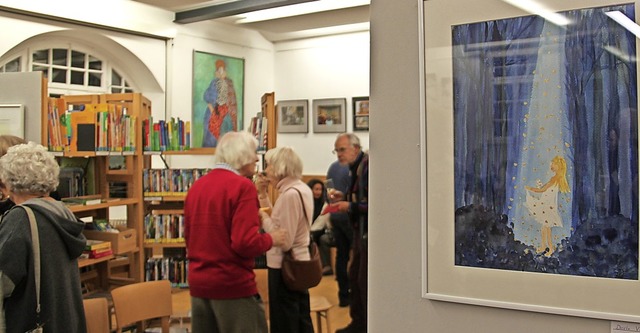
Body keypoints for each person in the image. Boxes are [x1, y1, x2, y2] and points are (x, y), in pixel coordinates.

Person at [184, 131, 287, 333]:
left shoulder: (197, 186)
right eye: (254, 153)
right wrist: (271, 239)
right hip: (231, 285)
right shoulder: (242, 187)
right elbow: (244, 243)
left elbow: (189, 237)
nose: (258, 158)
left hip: (199, 285)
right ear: (241, 155)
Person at [0, 142, 87, 333]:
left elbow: (4, 280)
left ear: (9, 180)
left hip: (32, 323)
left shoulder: (20, 218)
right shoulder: (62, 212)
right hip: (65, 322)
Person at [256, 146, 314, 333]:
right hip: (300, 263)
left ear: (280, 168)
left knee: (284, 322)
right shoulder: (301, 189)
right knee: (300, 318)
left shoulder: (289, 195)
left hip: (285, 267)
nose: (265, 171)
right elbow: (281, 223)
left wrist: (262, 218)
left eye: (269, 166)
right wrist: (263, 195)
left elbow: (284, 240)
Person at [331, 133, 369, 333]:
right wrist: (344, 197)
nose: (339, 154)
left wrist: (349, 205)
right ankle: (358, 324)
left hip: (368, 235)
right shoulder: (355, 168)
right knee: (355, 276)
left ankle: (364, 326)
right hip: (359, 233)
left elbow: (373, 204)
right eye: (336, 150)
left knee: (362, 281)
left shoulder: (366, 167)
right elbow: (360, 197)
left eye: (342, 149)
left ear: (355, 148)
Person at [525, 155, 570, 255]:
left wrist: (530, 188)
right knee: (546, 227)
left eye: (553, 164)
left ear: (558, 166)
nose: (551, 165)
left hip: (547, 205)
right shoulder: (558, 178)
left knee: (546, 227)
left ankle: (548, 247)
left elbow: (543, 190)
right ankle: (546, 246)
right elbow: (545, 188)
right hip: (548, 204)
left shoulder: (555, 178)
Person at [326, 159, 353, 307]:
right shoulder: (354, 167)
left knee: (341, 256)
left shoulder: (333, 166)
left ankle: (343, 296)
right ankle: (357, 296)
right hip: (349, 216)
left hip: (335, 215)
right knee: (357, 257)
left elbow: (328, 191)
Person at [202, 59, 238, 147]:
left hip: (225, 112)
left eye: (223, 70)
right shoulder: (214, 83)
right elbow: (208, 98)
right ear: (216, 72)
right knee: (212, 133)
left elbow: (232, 101)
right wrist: (214, 113)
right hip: (215, 112)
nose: (221, 73)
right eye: (219, 71)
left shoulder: (229, 83)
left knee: (226, 134)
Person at [306, 178, 333, 275]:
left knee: (313, 238)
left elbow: (321, 224)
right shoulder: (305, 202)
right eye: (316, 189)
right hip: (308, 230)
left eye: (320, 189)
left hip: (319, 231)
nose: (318, 192)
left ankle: (324, 266)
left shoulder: (325, 205)